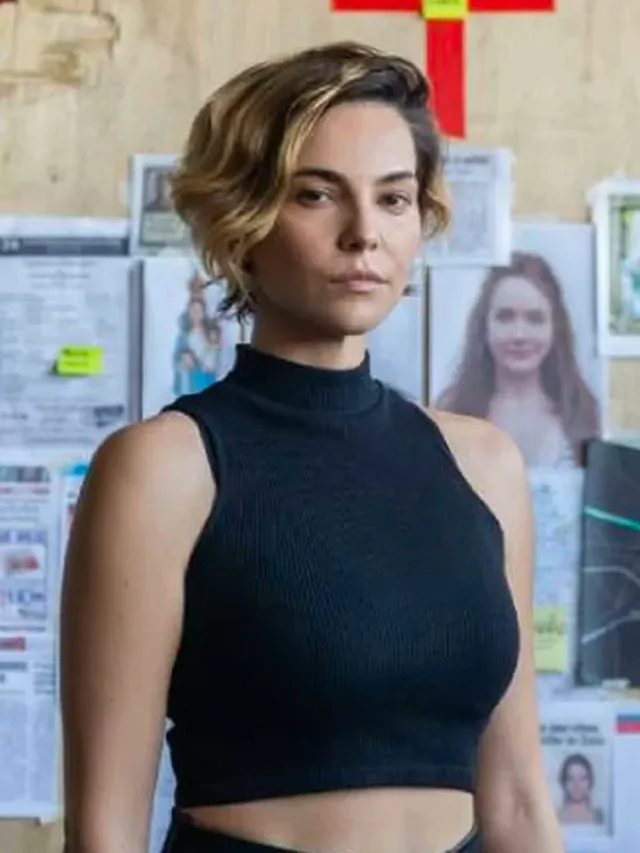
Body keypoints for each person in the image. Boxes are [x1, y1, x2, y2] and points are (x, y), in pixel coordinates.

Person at [60, 42, 564, 853]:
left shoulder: (485, 465)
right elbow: (104, 833)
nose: (364, 234)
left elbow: (521, 804)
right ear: (245, 219)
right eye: (317, 194)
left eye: (393, 199)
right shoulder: (162, 468)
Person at [436, 252, 600, 468]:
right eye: (505, 317)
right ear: (484, 326)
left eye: (535, 319)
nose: (519, 335)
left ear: (555, 328)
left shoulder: (580, 411)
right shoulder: (451, 411)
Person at [556, 754, 605, 826]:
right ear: (564, 782)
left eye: (582, 778)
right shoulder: (554, 816)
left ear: (590, 782)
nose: (577, 785)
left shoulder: (599, 816)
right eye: (570, 779)